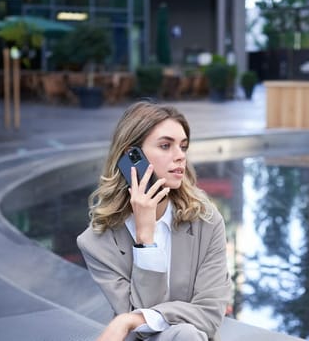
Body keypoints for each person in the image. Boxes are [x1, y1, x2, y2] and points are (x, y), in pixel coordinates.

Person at [77, 102, 232, 341]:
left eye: (183, 146)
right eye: (165, 145)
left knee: (186, 334)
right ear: (132, 156)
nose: (180, 156)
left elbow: (210, 314)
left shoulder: (207, 222)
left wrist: (129, 320)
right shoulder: (97, 243)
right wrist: (145, 239)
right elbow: (142, 333)